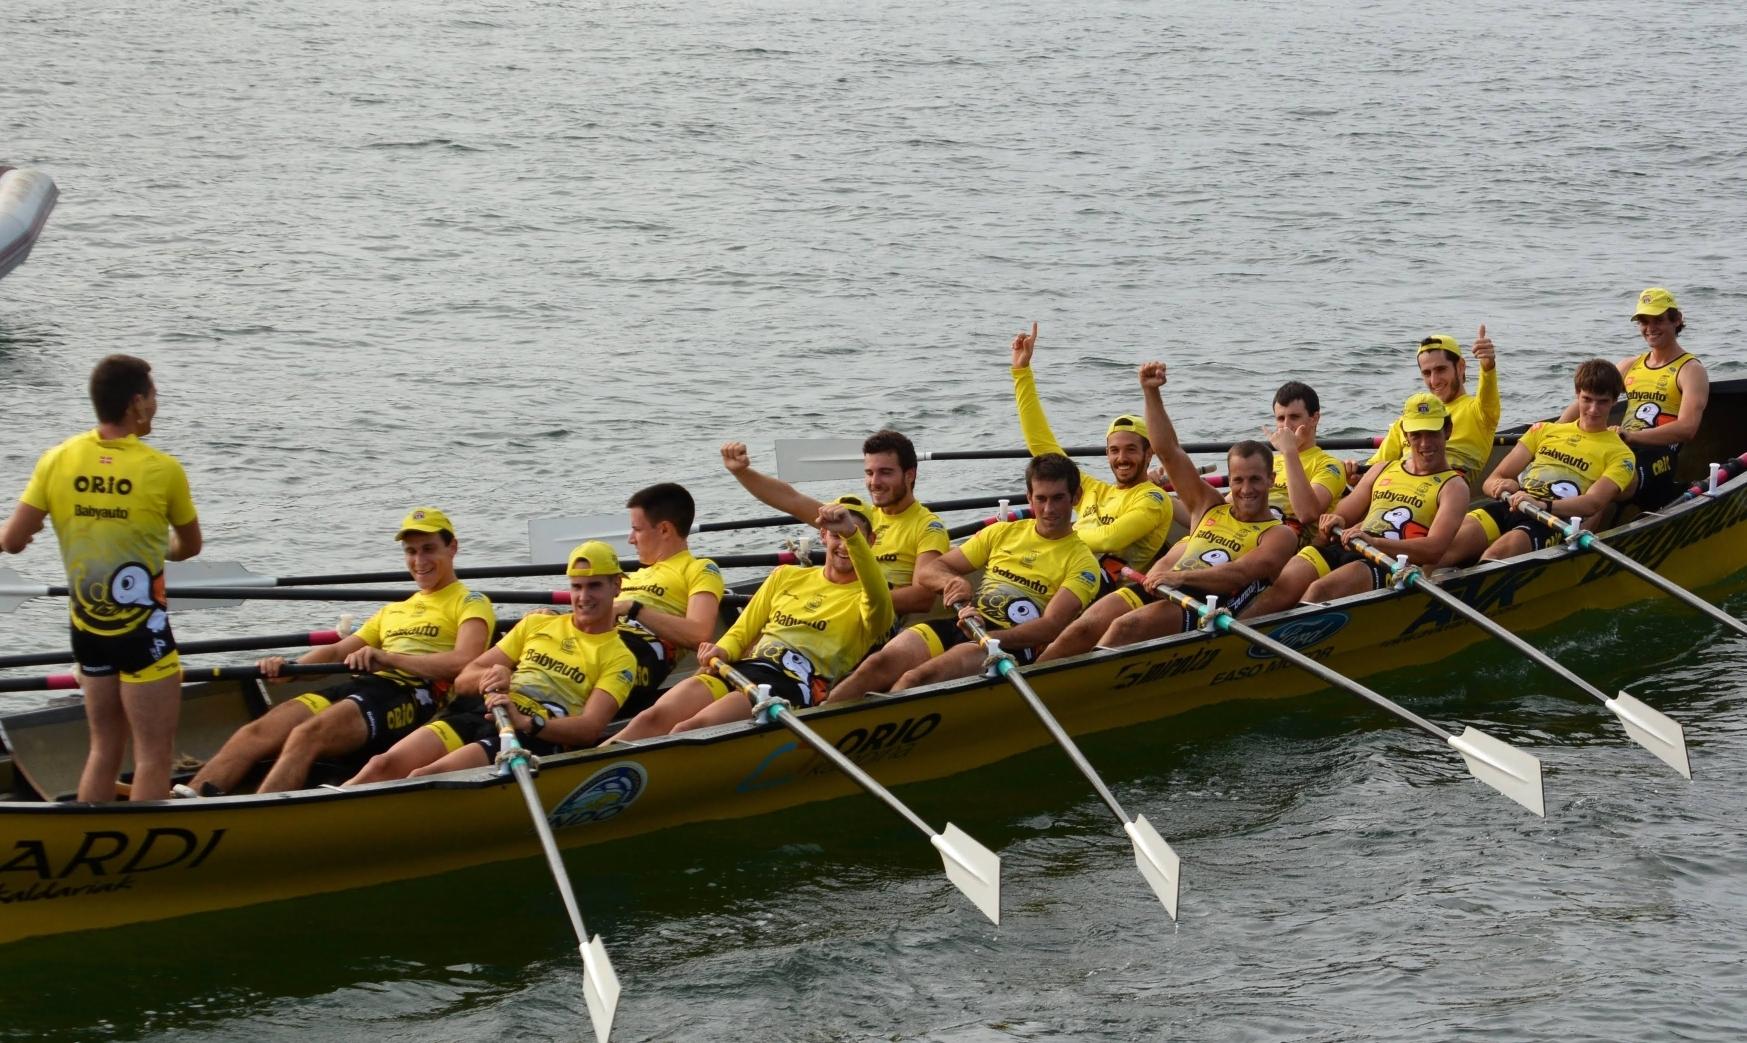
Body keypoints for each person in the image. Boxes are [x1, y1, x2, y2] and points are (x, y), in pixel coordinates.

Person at [0, 355, 202, 802]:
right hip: (143, 632)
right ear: (136, 404)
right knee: (153, 756)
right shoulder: (162, 469)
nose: (157, 404)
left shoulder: (57, 459)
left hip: (86, 630)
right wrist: (154, 546)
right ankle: (145, 861)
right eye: (153, 396)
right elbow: (190, 547)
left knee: (104, 748)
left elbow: (11, 541)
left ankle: (89, 839)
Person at [185, 508, 494, 794]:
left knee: (306, 736)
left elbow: (465, 661)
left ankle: (254, 819)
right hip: (368, 686)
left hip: (418, 694)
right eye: (411, 552)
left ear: (452, 548)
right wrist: (289, 669)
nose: (419, 561)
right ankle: (188, 798)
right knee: (255, 733)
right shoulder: (393, 611)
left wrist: (386, 657)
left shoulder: (470, 601)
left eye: (429, 549)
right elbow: (336, 653)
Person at [1038, 363, 1298, 661]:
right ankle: (1028, 684)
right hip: (1163, 584)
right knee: (1080, 630)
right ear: (1230, 480)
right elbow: (1168, 451)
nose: (1246, 489)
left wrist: (1179, 578)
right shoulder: (1208, 504)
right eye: (1238, 480)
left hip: (1203, 602)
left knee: (1125, 627)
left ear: (1271, 480)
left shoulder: (1279, 535)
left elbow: (1239, 574)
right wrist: (1151, 392)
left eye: (1255, 479)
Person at [347, 541, 637, 782]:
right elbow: (463, 680)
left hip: (532, 735)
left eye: (594, 586)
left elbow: (589, 729)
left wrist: (528, 722)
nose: (583, 597)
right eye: (576, 587)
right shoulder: (536, 623)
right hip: (485, 712)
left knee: (426, 776)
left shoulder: (621, 658)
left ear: (616, 586)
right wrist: (495, 674)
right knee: (381, 766)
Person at [609, 501, 892, 739]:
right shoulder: (786, 575)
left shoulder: (873, 598)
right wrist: (723, 650)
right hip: (741, 668)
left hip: (788, 684)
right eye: (836, 536)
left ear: (869, 543)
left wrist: (851, 535)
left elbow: (877, 592)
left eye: (851, 538)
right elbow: (742, 632)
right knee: (651, 719)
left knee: (688, 729)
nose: (843, 546)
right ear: (823, 536)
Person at [832, 453, 1100, 697]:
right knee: (877, 664)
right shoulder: (1002, 532)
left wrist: (989, 637)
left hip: (1006, 643)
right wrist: (953, 581)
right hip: (965, 622)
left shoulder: (1083, 562)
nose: (1049, 509)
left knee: (917, 678)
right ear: (1029, 498)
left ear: (1075, 498)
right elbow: (930, 570)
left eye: (1058, 498)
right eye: (1041, 499)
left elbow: (1052, 626)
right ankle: (821, 719)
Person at [1246, 393, 1470, 611]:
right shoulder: (1383, 468)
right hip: (1350, 545)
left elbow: (1434, 549)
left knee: (1319, 592)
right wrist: (1337, 519)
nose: (1424, 443)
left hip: (1389, 561)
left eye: (1432, 433)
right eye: (1416, 434)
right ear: (1405, 433)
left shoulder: (1454, 487)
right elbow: (1345, 512)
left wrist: (1374, 542)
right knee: (1280, 589)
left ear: (1447, 430)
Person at [1010, 322, 1171, 588]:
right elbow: (1041, 446)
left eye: (1131, 449)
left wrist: (1048, 533)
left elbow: (1111, 539)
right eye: (1114, 450)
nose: (1122, 458)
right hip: (1061, 566)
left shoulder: (1154, 498)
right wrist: (1021, 372)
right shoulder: (1091, 489)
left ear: (1149, 452)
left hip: (1105, 588)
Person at [720, 430, 948, 616]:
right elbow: (792, 500)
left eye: (885, 473)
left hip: (873, 621)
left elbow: (922, 598)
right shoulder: (861, 515)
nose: (874, 482)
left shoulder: (928, 527)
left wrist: (843, 598)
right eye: (869, 473)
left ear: (909, 475)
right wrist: (742, 473)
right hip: (834, 607)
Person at [1443, 360, 1636, 564]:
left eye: (1602, 402)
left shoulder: (1621, 455)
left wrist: (1543, 505)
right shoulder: (1544, 430)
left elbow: (1593, 504)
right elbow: (1491, 481)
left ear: (1615, 401)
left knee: (1495, 557)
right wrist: (1507, 485)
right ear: (1577, 394)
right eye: (1587, 399)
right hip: (1513, 505)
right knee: (1446, 547)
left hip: (1554, 521)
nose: (1593, 409)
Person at [1558, 287, 1708, 509]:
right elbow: (1586, 399)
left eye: (1657, 320)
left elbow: (1687, 428)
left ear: (1676, 320)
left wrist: (1631, 437)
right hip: (1621, 445)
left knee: (1603, 482)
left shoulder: (1690, 370)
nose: (1650, 328)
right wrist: (1554, 432)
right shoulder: (1629, 365)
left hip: (1659, 453)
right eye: (1643, 322)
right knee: (1583, 471)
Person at [613, 483, 725, 717]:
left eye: (637, 529)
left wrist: (633, 609)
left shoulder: (700, 569)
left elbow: (699, 633)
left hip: (640, 652)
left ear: (664, 530)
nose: (630, 539)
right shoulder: (633, 575)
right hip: (603, 641)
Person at [1364, 328, 1500, 479]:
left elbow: (1488, 388)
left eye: (1441, 369)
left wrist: (1488, 365)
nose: (1434, 381)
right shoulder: (1407, 419)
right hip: (1395, 488)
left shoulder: (1481, 411)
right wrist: (1351, 472)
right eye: (1427, 373)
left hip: (1445, 491)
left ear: (1461, 366)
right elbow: (1369, 470)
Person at [1263, 381, 1349, 537]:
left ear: (1314, 419)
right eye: (1281, 419)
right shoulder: (1269, 462)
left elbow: (1307, 513)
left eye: (1294, 417)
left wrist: (1289, 452)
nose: (1286, 426)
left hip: (1293, 540)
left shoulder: (1330, 465)